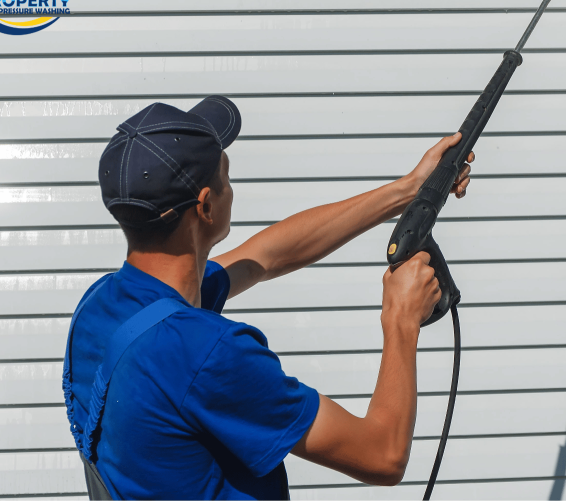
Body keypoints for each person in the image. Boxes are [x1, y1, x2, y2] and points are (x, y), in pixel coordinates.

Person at [62, 95, 474, 499]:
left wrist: (408, 190)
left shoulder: (101, 307)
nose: (230, 186)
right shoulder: (209, 354)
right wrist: (401, 318)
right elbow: (382, 455)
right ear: (205, 207)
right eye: (226, 176)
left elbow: (266, 255)